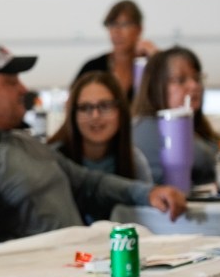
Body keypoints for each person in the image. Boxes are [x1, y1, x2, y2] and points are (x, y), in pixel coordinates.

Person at [0, 40, 186, 246]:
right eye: (11, 81)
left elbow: (90, 183)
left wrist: (148, 193)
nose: (23, 88)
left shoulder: (26, 142)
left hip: (81, 263)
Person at [49, 71, 152, 224]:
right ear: (73, 114)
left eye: (105, 106)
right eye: (85, 107)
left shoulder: (134, 160)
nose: (95, 115)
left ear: (121, 111)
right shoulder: (54, 160)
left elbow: (148, 218)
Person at [132, 46, 220, 186]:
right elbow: (210, 162)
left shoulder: (198, 128)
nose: (194, 86)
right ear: (156, 86)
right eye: (180, 80)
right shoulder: (146, 128)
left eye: (197, 78)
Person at [76, 0, 158, 102]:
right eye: (112, 24)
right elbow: (72, 103)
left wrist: (157, 57)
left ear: (139, 29)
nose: (116, 32)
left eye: (124, 24)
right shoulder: (93, 67)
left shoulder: (148, 66)